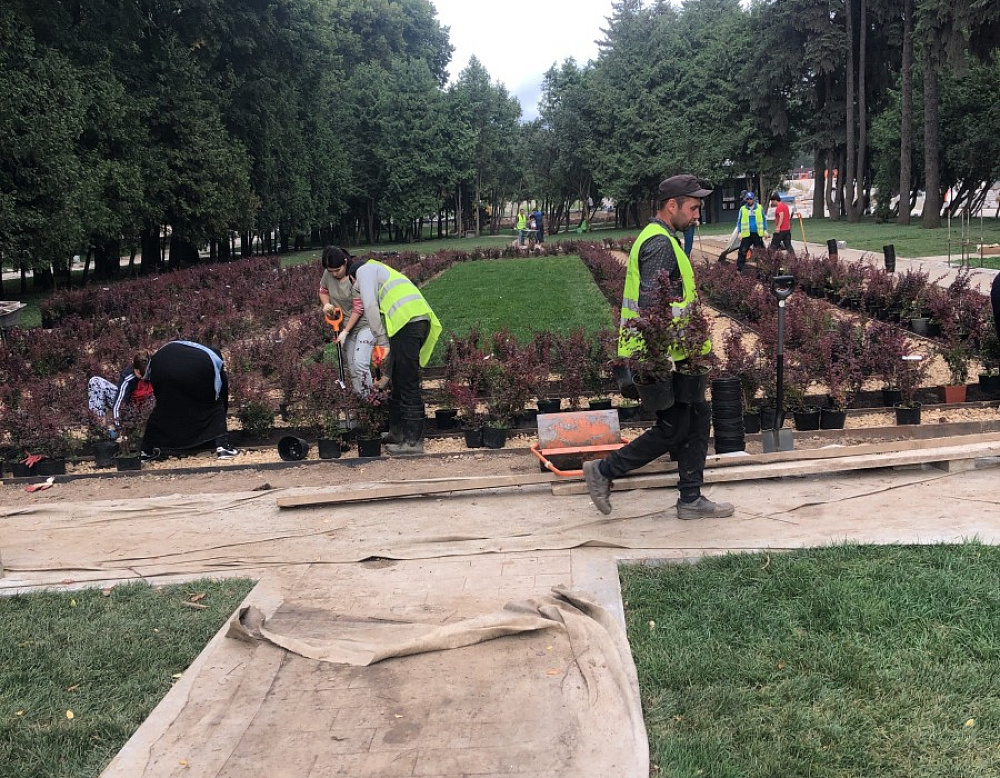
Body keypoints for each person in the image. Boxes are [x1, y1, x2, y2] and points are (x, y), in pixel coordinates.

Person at [583, 174, 735, 520]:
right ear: (672, 206)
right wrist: (661, 359)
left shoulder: (665, 239)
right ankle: (603, 472)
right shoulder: (659, 244)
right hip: (659, 357)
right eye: (694, 208)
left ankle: (691, 499)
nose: (697, 215)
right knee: (675, 427)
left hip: (678, 354)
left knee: (697, 419)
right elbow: (653, 308)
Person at [348, 259, 442, 455]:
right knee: (399, 381)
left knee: (407, 382)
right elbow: (396, 357)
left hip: (409, 323)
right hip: (412, 322)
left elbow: (371, 307)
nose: (357, 290)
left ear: (352, 277)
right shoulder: (380, 271)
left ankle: (413, 443)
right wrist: (383, 381)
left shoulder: (364, 271)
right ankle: (397, 434)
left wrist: (380, 340)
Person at [140, 340, 238, 460]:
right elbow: (222, 392)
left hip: (160, 363)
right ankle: (223, 447)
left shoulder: (189, 347)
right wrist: (222, 412)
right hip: (196, 367)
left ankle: (146, 450)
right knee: (214, 404)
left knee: (164, 408)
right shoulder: (214, 359)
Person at [318, 246, 374, 394]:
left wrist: (345, 332)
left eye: (337, 270)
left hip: (365, 326)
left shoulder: (355, 276)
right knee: (352, 367)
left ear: (344, 262)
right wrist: (327, 304)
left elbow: (358, 309)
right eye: (331, 271)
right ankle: (362, 400)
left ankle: (371, 398)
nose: (334, 274)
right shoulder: (328, 274)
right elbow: (323, 291)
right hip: (344, 327)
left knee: (360, 363)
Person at [87, 352, 153, 439]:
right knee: (95, 382)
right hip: (130, 408)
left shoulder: (157, 371)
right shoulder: (128, 377)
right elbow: (118, 403)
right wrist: (119, 427)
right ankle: (100, 430)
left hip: (149, 409)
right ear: (136, 370)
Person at [736, 191, 767, 271]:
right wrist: (739, 232)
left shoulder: (759, 208)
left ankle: (766, 267)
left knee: (761, 251)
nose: (749, 200)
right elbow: (739, 221)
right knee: (742, 251)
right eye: (747, 199)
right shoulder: (743, 209)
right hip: (747, 234)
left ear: (753, 199)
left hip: (757, 233)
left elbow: (764, 219)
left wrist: (765, 230)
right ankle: (739, 268)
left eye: (750, 199)